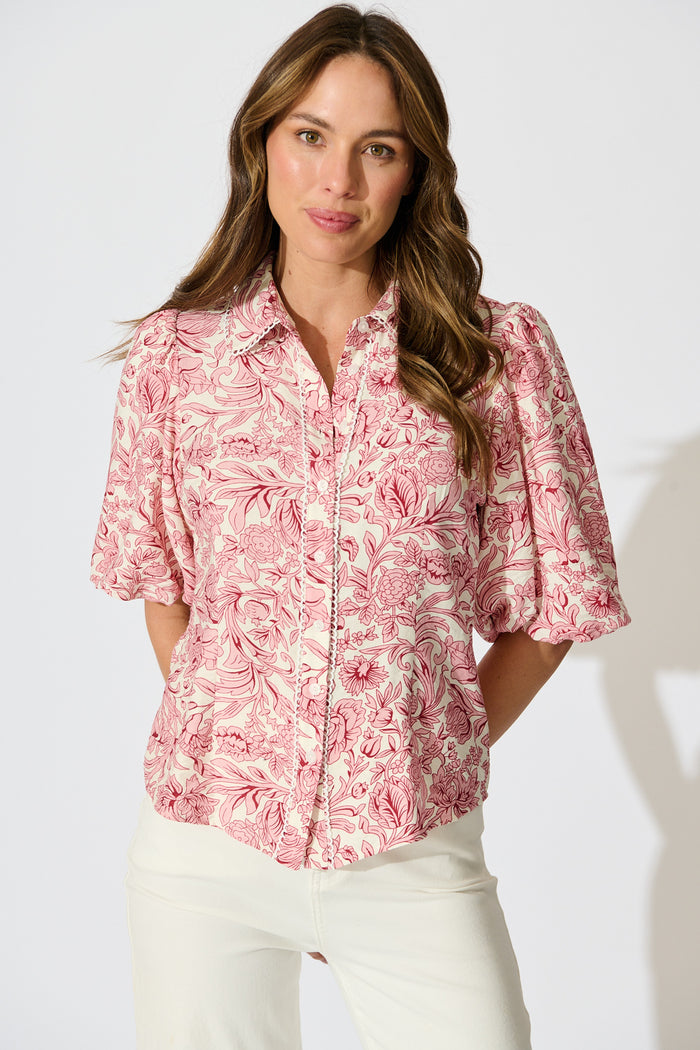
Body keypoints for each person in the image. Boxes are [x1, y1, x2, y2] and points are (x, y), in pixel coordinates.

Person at [90, 5, 630, 1048]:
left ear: (415, 170)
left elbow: (552, 611)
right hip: (206, 854)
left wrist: (389, 771)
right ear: (261, 144)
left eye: (378, 148)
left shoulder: (496, 356)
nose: (337, 181)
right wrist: (272, 764)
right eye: (311, 136)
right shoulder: (178, 358)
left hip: (410, 852)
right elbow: (170, 593)